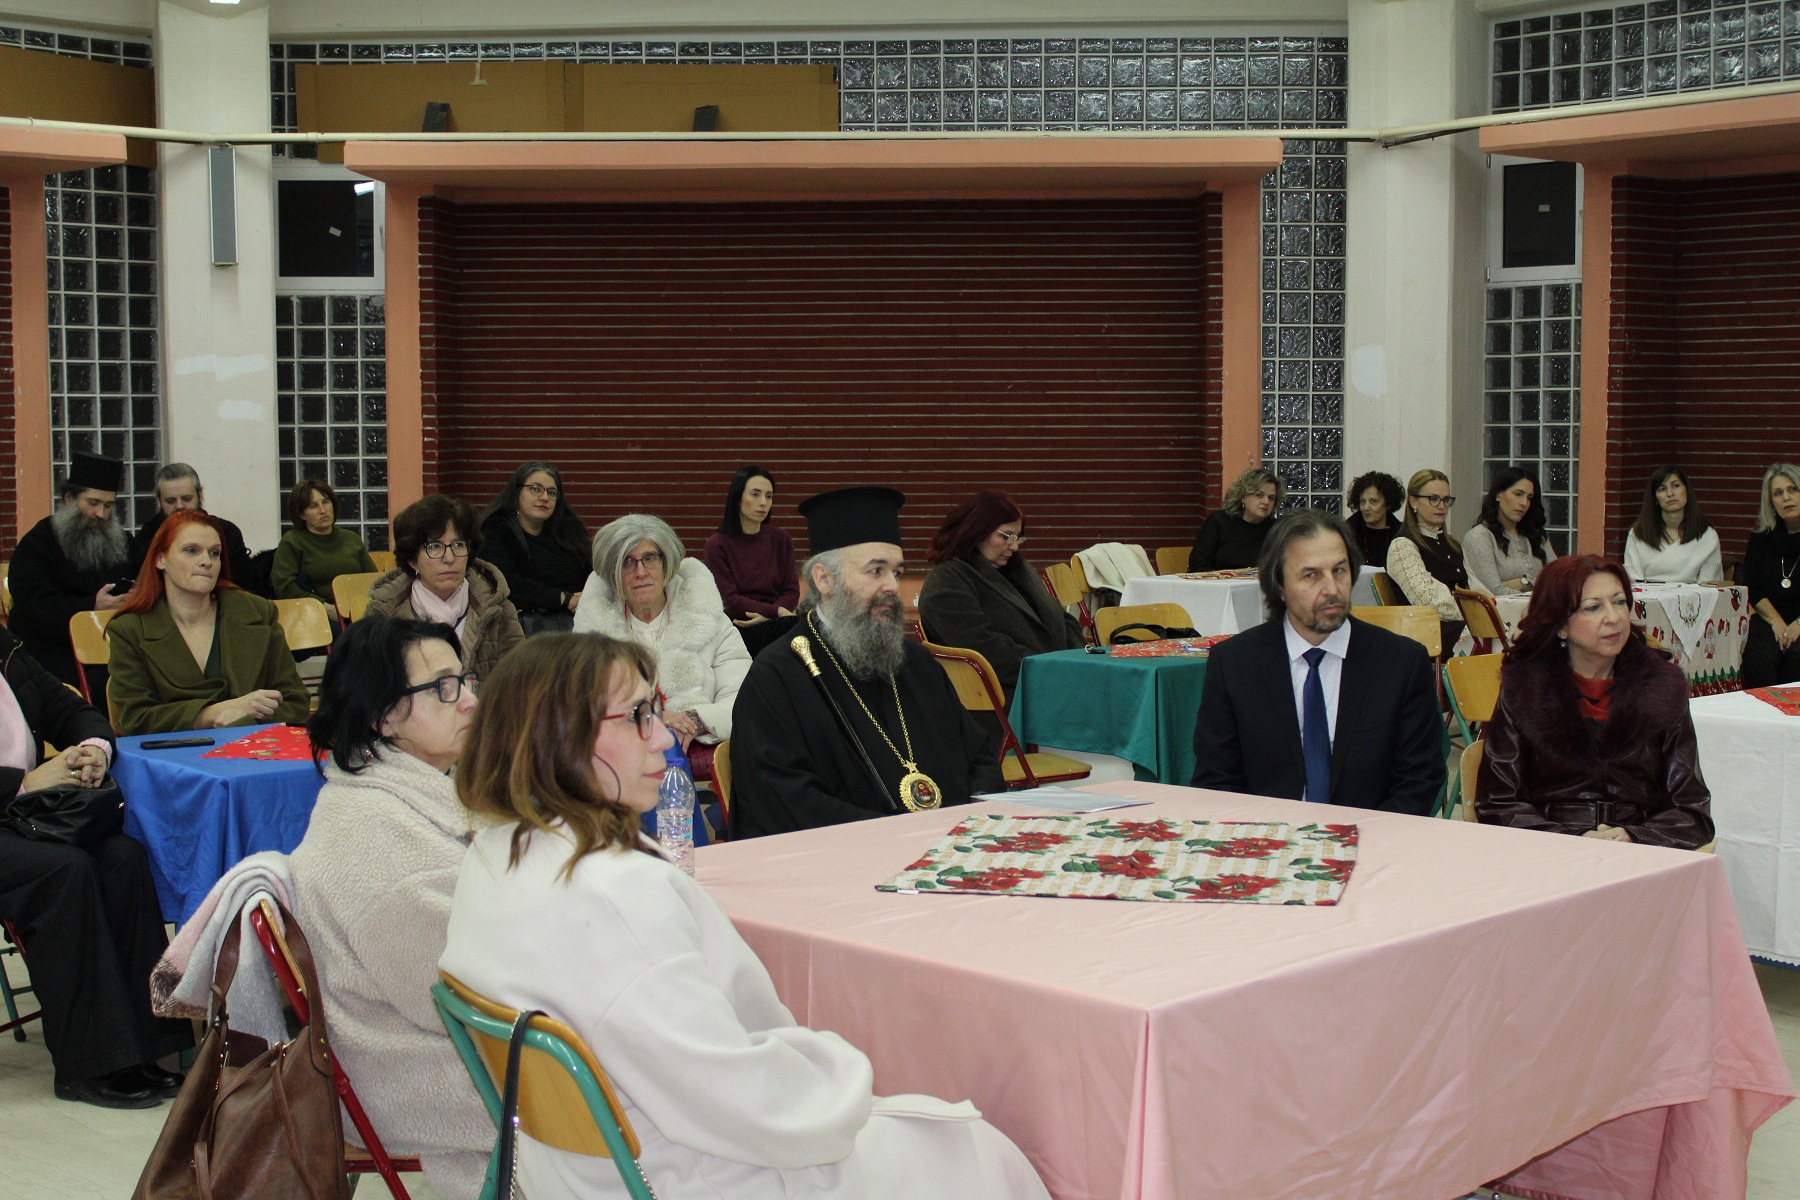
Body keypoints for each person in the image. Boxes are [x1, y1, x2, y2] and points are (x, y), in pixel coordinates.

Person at [440, 634, 1050, 1200]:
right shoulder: (614, 894)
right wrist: (850, 1077)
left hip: (581, 1174)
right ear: (557, 736)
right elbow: (747, 1103)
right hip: (696, 1177)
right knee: (979, 1148)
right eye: (636, 716)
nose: (664, 738)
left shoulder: (494, 856)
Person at [289, 617, 492, 1198]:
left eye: (465, 681)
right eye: (443, 687)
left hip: (417, 1046)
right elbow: (464, 1002)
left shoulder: (395, 799)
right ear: (382, 715)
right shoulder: (380, 841)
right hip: (412, 1074)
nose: (469, 700)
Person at [728, 487, 1004, 838]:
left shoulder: (918, 663)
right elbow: (782, 802)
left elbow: (979, 758)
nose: (892, 586)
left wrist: (973, 825)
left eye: (897, 572)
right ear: (824, 580)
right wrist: (897, 838)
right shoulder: (776, 676)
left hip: (951, 848)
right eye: (876, 571)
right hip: (846, 859)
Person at [0, 625, 192, 1108]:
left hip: (22, 813)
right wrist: (24, 783)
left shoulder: (6, 647)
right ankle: (88, 1063)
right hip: (18, 806)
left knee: (123, 856)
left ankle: (147, 1044)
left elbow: (70, 709)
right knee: (64, 871)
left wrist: (94, 749)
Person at [1190, 509, 1445, 814]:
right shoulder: (1235, 664)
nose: (1332, 589)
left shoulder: (1400, 663)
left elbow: (1419, 781)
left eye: (1339, 571)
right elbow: (1217, 783)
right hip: (1267, 835)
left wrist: (1359, 837)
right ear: (1279, 586)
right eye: (1310, 575)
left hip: (1373, 835)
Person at [1477, 555, 1713, 848]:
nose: (1613, 617)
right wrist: (1573, 840)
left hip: (1639, 850)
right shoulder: (1525, 689)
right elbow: (1497, 803)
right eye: (1593, 607)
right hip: (1550, 849)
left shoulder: (1661, 687)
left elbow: (1692, 810)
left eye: (1620, 602)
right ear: (1561, 625)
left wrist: (1635, 836)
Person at [104, 512, 310, 736]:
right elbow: (136, 720)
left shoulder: (259, 613)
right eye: (191, 550)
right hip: (173, 754)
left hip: (255, 748)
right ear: (160, 559)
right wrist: (211, 714)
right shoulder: (129, 629)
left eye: (214, 553)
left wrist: (245, 718)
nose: (206, 561)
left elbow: (295, 702)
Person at [574, 514, 750, 760]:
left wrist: (695, 721)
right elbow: (580, 705)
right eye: (627, 562)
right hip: (621, 763)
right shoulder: (592, 635)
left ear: (666, 563)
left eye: (649, 558)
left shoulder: (711, 621)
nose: (640, 572)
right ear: (612, 573)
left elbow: (744, 696)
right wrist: (645, 718)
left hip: (701, 759)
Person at [916, 490, 1082, 704]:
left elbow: (1061, 618)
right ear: (976, 531)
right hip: (1006, 699)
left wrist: (1079, 662)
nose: (1014, 546)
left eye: (1017, 537)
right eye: (1006, 536)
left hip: (1049, 680)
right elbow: (986, 649)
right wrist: (1054, 669)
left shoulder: (1016, 569)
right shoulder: (946, 582)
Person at [8, 451, 135, 687]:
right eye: (93, 503)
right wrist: (92, 606)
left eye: (108, 505)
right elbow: (34, 606)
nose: (101, 514)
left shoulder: (123, 542)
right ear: (69, 498)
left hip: (116, 645)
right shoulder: (37, 544)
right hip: (55, 649)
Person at [365, 495, 525, 683]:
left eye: (458, 545)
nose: (449, 558)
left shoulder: (498, 609)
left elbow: (521, 683)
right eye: (435, 547)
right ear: (412, 560)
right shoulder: (382, 614)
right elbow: (370, 687)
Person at [478, 461, 592, 636]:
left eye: (551, 492)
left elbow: (592, 572)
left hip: (579, 624)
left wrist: (586, 596)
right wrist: (563, 598)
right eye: (536, 489)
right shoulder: (496, 531)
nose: (545, 497)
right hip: (522, 632)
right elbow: (507, 584)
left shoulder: (570, 531)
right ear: (517, 492)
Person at [703, 464, 801, 657]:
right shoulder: (717, 544)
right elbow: (730, 600)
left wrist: (771, 617)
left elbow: (791, 591)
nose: (763, 502)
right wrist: (776, 612)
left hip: (779, 625)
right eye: (755, 494)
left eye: (768, 496)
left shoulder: (780, 539)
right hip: (739, 625)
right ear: (738, 497)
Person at [1386, 468, 1481, 652]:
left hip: (1459, 625)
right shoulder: (1403, 546)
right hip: (1427, 634)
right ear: (1413, 501)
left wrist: (1492, 609)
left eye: (1446, 500)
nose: (1441, 506)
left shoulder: (1453, 544)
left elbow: (1474, 587)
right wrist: (1476, 613)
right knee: (1489, 636)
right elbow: (1429, 602)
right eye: (1433, 499)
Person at [127, 463, 255, 586]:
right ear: (158, 501)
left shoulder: (226, 532)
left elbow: (241, 584)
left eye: (186, 499)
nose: (179, 506)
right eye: (170, 501)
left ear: (200, 496)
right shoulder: (148, 536)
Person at [271, 478, 377, 608]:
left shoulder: (351, 538)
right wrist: (322, 606)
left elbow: (373, 580)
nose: (322, 510)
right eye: (313, 506)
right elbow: (285, 586)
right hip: (314, 611)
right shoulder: (292, 542)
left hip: (356, 607)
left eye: (326, 502)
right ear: (301, 515)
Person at [1743, 462, 1800, 687]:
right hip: (1769, 618)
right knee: (1761, 656)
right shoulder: (1761, 538)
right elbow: (1752, 586)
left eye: (1793, 489)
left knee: (1796, 657)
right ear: (1771, 502)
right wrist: (1776, 621)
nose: (1787, 497)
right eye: (1778, 493)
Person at [1461, 466, 1557, 595]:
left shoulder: (1536, 535)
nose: (1524, 503)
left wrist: (1524, 583)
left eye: (1529, 498)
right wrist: (1535, 586)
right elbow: (1492, 593)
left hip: (1540, 607)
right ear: (1498, 494)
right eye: (1518, 494)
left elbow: (1560, 581)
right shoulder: (1480, 536)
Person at [1622, 465, 1722, 584]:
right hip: (1648, 595)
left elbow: (1709, 588)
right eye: (1662, 489)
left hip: (1693, 596)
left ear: (1686, 490)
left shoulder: (1707, 535)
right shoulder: (1638, 534)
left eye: (1676, 486)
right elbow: (1633, 584)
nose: (1670, 493)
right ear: (1655, 499)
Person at [1188, 466, 1284, 571]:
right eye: (1259, 495)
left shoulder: (1277, 529)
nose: (1266, 502)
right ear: (1243, 497)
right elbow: (1197, 565)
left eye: (1271, 498)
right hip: (1219, 580)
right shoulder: (1218, 522)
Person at [1343, 470, 1403, 567]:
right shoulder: (1347, 534)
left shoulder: (1402, 534)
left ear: (1388, 503)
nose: (1366, 507)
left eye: (1373, 501)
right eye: (1363, 501)